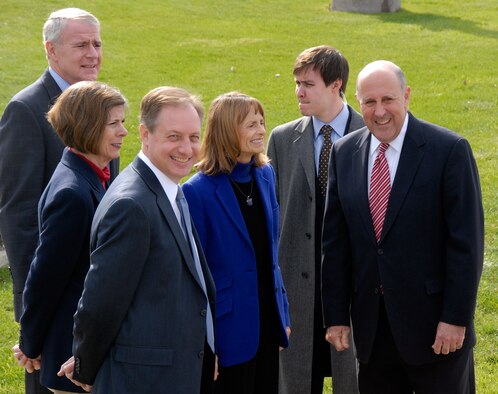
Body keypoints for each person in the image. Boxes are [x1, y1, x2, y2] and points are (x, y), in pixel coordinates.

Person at [321, 60, 484, 393]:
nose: (379, 111)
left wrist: (455, 319)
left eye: (388, 100)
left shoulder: (449, 151)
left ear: (406, 96)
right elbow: (335, 243)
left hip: (436, 333)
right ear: (357, 101)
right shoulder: (344, 153)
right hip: (373, 332)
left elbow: (466, 246)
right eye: (369, 102)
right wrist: (336, 314)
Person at [57, 86, 216, 394]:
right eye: (174, 137)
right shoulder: (132, 205)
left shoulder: (170, 188)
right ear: (145, 134)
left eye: (194, 137)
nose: (187, 148)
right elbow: (100, 303)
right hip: (145, 382)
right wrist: (85, 366)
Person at [0, 8, 117, 393]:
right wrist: (34, 306)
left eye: (97, 44)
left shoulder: (101, 106)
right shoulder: (26, 110)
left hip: (94, 292)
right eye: (81, 45)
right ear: (50, 49)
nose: (93, 54)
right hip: (52, 297)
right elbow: (19, 215)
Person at [11, 81, 127, 394]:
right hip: (71, 355)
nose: (123, 132)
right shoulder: (72, 194)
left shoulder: (88, 174)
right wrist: (30, 344)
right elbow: (46, 277)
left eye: (123, 122)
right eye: (113, 123)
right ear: (88, 127)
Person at [267, 45, 362, 394]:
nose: (299, 92)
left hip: (352, 283)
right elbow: (272, 210)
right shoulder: (281, 138)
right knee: (295, 378)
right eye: (296, 83)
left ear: (336, 84)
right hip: (297, 283)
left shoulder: (370, 133)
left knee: (352, 377)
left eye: (308, 84)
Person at [183, 92, 291, 394]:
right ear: (227, 131)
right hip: (227, 330)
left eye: (261, 122)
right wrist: (206, 344)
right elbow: (195, 276)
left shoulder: (265, 174)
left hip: (268, 322)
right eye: (250, 125)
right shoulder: (197, 192)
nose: (260, 131)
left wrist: (282, 310)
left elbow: (271, 253)